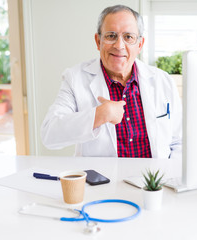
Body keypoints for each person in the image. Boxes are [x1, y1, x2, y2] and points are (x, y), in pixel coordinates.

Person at [41, 5, 182, 159]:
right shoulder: (75, 78)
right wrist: (99, 115)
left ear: (140, 45)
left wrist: (169, 178)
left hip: (153, 180)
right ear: (98, 41)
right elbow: (49, 135)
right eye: (111, 36)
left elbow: (179, 142)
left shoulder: (163, 80)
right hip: (102, 181)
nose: (119, 45)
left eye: (128, 37)